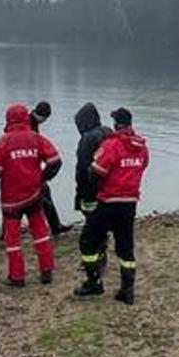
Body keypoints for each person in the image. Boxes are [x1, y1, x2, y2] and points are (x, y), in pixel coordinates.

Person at [73, 107, 148, 304]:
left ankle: (94, 282)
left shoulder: (112, 145)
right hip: (130, 203)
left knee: (87, 242)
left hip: (108, 202)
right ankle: (127, 290)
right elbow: (142, 167)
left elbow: (96, 171)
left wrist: (91, 178)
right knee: (125, 248)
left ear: (117, 124)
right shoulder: (142, 147)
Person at [0, 103, 63, 287]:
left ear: (8, 119)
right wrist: (41, 178)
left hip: (11, 200)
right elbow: (56, 162)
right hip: (34, 194)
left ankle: (17, 277)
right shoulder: (36, 138)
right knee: (41, 232)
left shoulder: (4, 141)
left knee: (13, 240)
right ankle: (46, 271)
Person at [28, 101, 73, 235]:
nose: (44, 122)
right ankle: (55, 226)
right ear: (42, 116)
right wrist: (42, 176)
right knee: (44, 195)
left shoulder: (29, 122)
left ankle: (55, 226)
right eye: (45, 119)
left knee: (16, 199)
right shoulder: (30, 125)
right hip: (29, 169)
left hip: (29, 167)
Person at [70, 102, 112, 216]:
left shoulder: (87, 138)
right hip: (109, 183)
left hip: (92, 185)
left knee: (90, 213)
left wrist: (79, 192)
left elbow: (82, 166)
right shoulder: (108, 131)